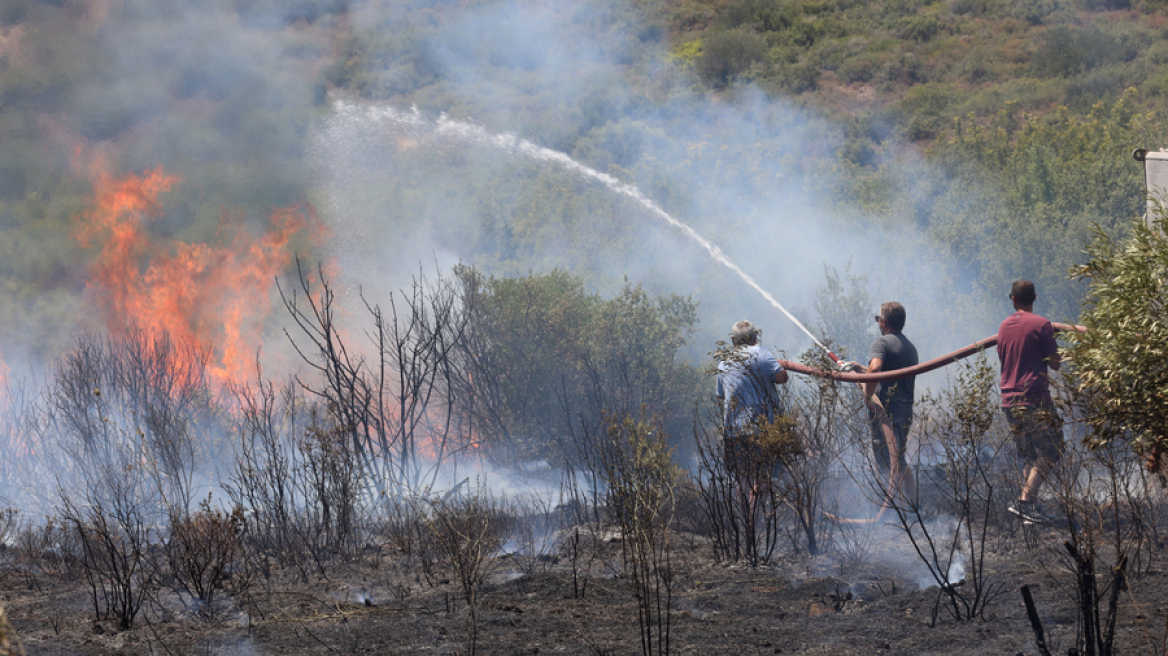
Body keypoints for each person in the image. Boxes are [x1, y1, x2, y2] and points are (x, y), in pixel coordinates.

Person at [998, 280, 1063, 525]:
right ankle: (1025, 501)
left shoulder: (1003, 327)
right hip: (1034, 400)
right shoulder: (1042, 325)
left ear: (1012, 299)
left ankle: (1030, 510)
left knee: (1030, 456)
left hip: (1009, 401)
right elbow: (1056, 363)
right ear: (1034, 298)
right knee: (1053, 450)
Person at [853, 302, 918, 510]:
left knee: (887, 462)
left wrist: (867, 396)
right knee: (898, 459)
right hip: (905, 410)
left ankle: (894, 511)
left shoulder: (880, 342)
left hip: (887, 412)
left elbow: (877, 368)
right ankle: (912, 505)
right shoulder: (909, 347)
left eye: (878, 320)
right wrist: (860, 369)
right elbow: (886, 373)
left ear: (883, 322)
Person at [715, 321, 789, 501]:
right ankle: (759, 520)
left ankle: (747, 522)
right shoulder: (764, 355)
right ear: (755, 338)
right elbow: (781, 378)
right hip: (763, 429)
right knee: (763, 476)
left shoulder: (724, 363)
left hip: (734, 431)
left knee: (743, 478)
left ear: (733, 341)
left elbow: (721, 395)